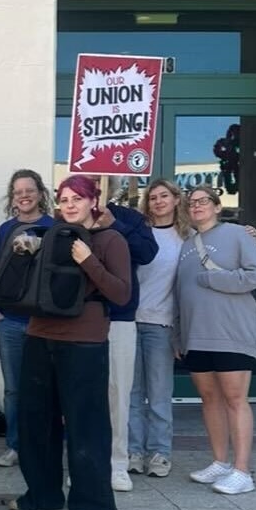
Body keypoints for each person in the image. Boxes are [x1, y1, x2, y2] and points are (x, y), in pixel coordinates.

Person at [12, 175, 131, 510]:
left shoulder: (111, 240)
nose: (69, 205)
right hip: (39, 335)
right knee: (36, 423)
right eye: (63, 199)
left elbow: (122, 294)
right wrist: (23, 255)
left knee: (86, 428)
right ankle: (43, 494)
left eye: (77, 198)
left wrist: (89, 260)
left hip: (84, 342)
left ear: (93, 200)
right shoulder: (48, 238)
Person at [177, 184, 256, 495]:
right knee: (209, 399)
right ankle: (220, 462)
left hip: (232, 333)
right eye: (192, 203)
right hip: (196, 335)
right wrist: (178, 334)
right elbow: (179, 293)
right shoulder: (187, 243)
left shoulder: (237, 234)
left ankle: (243, 471)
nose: (197, 206)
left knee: (234, 398)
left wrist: (214, 278)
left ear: (217, 207)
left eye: (204, 201)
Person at [127, 179, 189, 480]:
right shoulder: (139, 233)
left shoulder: (186, 237)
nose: (158, 201)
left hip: (162, 323)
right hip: (131, 320)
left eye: (164, 196)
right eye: (152, 197)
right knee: (132, 393)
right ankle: (133, 451)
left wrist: (248, 232)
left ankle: (160, 453)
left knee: (160, 393)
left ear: (177, 200)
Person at [0, 169, 54, 468]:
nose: (24, 196)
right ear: (12, 198)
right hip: (12, 321)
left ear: (41, 193)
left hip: (45, 321)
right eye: (18, 192)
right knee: (14, 388)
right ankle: (15, 446)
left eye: (29, 190)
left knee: (45, 385)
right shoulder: (5, 230)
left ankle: (42, 447)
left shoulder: (56, 227)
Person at [98, 192, 158, 492]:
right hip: (79, 319)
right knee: (84, 398)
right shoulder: (67, 217)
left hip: (120, 317)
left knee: (119, 394)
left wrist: (115, 226)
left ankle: (118, 464)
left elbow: (148, 252)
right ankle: (89, 465)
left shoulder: (129, 218)